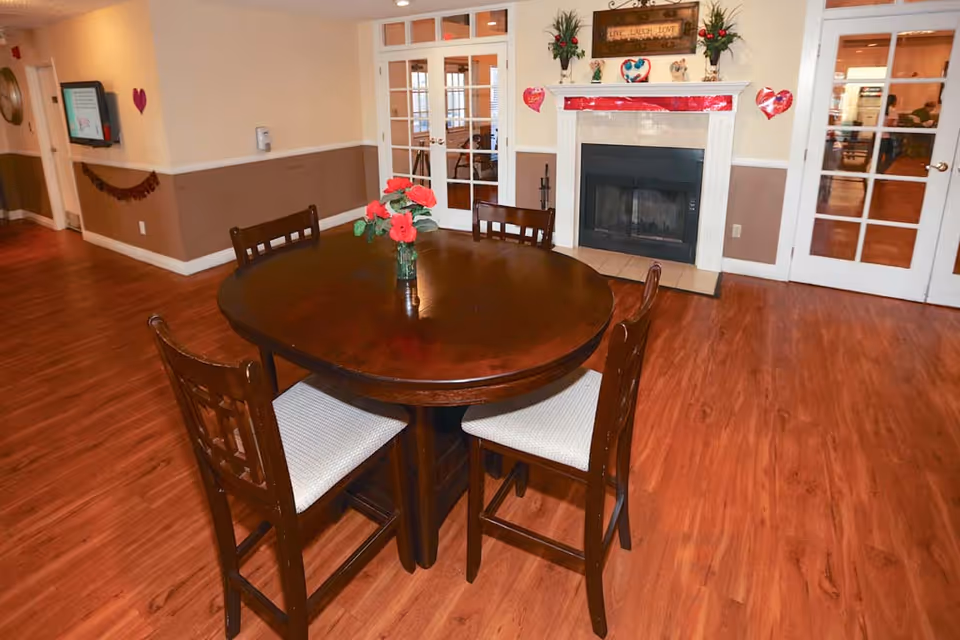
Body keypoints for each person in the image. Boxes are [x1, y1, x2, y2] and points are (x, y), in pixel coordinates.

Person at [878, 94, 899, 173]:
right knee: (890, 156)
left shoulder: (882, 110)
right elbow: (889, 124)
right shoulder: (892, 110)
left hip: (879, 135)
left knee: (879, 156)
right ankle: (881, 171)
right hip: (887, 136)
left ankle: (877, 171)